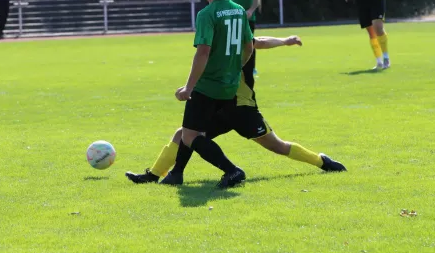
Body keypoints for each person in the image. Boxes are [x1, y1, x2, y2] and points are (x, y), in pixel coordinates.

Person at [125, 35, 346, 185]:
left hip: (243, 109)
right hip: (220, 106)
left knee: (277, 146)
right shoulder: (217, 44)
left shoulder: (241, 44)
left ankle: (322, 161)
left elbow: (259, 41)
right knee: (184, 133)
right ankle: (155, 175)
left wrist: (285, 41)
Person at [160, 0, 254, 189]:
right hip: (229, 86)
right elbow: (249, 46)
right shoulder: (239, 10)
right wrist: (234, 69)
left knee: (191, 136)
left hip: (207, 86)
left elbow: (203, 51)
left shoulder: (207, 13)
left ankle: (232, 171)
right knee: (192, 129)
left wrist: (188, 87)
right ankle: (176, 174)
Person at [227, 0, 261, 75]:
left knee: (249, 43)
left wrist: (251, 10)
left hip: (247, 17)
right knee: (233, 42)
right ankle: (235, 67)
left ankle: (251, 68)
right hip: (233, 16)